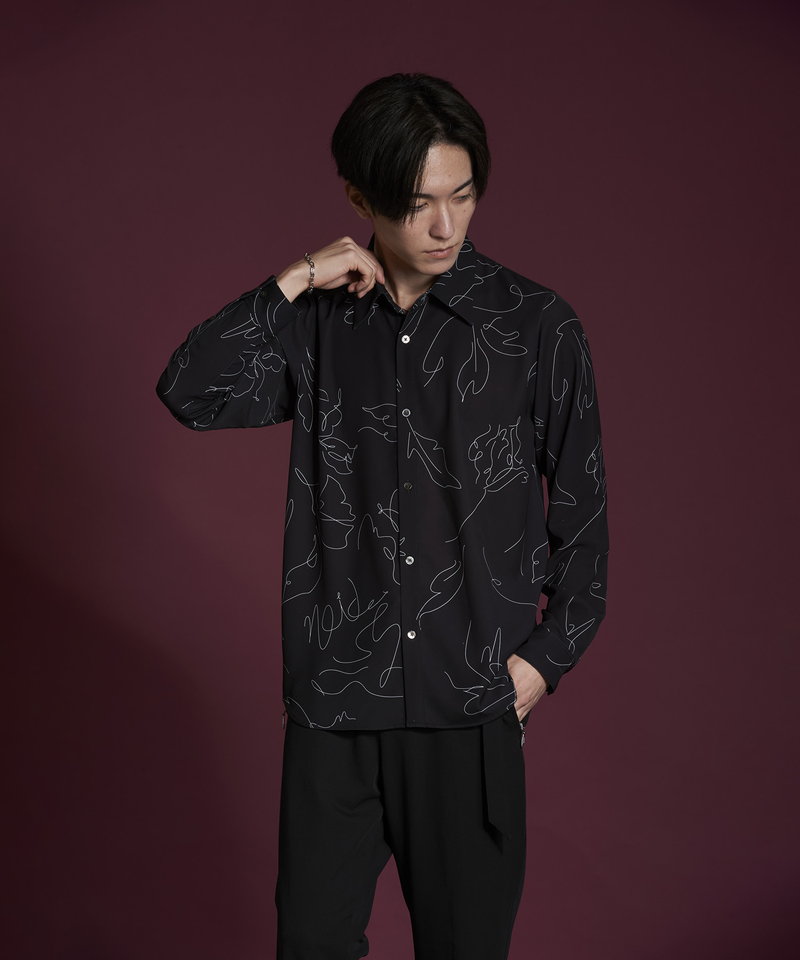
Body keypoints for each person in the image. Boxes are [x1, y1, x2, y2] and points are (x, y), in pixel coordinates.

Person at [156, 72, 609, 960]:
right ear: (360, 199)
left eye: (462, 196)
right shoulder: (317, 325)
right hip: (336, 714)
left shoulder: (536, 328)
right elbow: (189, 391)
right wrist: (296, 278)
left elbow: (585, 524)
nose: (445, 227)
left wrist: (540, 665)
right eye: (416, 204)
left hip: (469, 711)